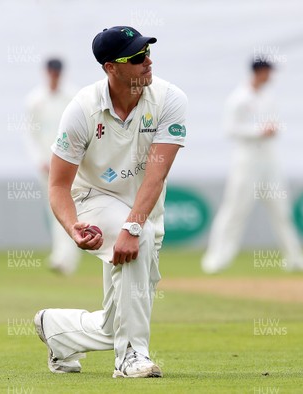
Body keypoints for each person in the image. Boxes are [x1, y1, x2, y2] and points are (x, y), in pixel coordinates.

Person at [33, 26, 187, 378]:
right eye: (136, 58)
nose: (148, 62)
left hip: (145, 206)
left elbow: (156, 174)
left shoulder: (170, 99)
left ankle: (57, 328)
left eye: (147, 53)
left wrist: (134, 223)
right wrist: (74, 228)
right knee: (139, 237)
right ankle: (131, 357)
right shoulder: (82, 110)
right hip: (92, 199)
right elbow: (58, 185)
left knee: (119, 316)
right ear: (110, 68)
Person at [201, 58, 303, 274]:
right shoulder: (238, 98)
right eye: (269, 72)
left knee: (281, 210)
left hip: (269, 160)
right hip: (247, 160)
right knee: (235, 209)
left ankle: (294, 257)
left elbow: (276, 124)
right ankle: (216, 258)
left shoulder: (268, 97)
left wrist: (272, 129)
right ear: (260, 72)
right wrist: (258, 131)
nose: (271, 77)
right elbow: (229, 129)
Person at [25, 58, 80, 275]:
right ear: (46, 72)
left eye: (57, 72)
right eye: (51, 72)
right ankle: (63, 257)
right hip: (47, 165)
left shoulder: (73, 96)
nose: (54, 75)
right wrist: (39, 159)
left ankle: (66, 257)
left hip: (70, 162)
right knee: (55, 209)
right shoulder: (35, 100)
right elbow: (30, 134)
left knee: (72, 207)